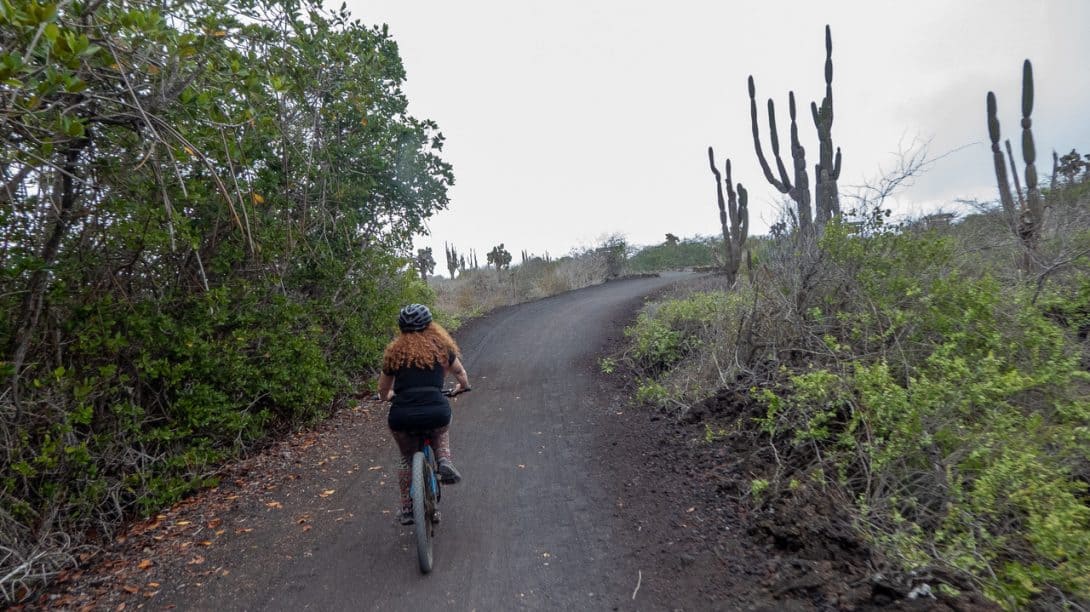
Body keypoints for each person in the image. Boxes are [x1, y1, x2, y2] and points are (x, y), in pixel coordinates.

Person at [377, 304, 470, 525]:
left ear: (402, 329)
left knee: (406, 460)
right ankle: (444, 459)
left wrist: (388, 396)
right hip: (435, 410)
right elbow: (460, 373)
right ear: (430, 325)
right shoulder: (441, 348)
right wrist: (462, 387)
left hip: (402, 416)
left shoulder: (394, 354)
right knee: (441, 429)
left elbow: (382, 390)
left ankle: (408, 509)